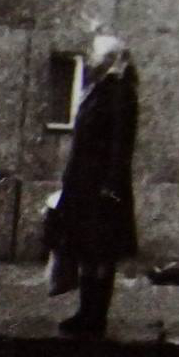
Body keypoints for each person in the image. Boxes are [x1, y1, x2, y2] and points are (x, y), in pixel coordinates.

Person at [49, 34, 139, 336]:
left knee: (101, 253)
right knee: (87, 251)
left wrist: (110, 186)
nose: (91, 59)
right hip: (84, 186)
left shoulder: (119, 93)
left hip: (101, 189)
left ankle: (94, 318)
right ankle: (86, 313)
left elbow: (119, 145)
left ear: (111, 58)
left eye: (98, 54)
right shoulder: (99, 90)